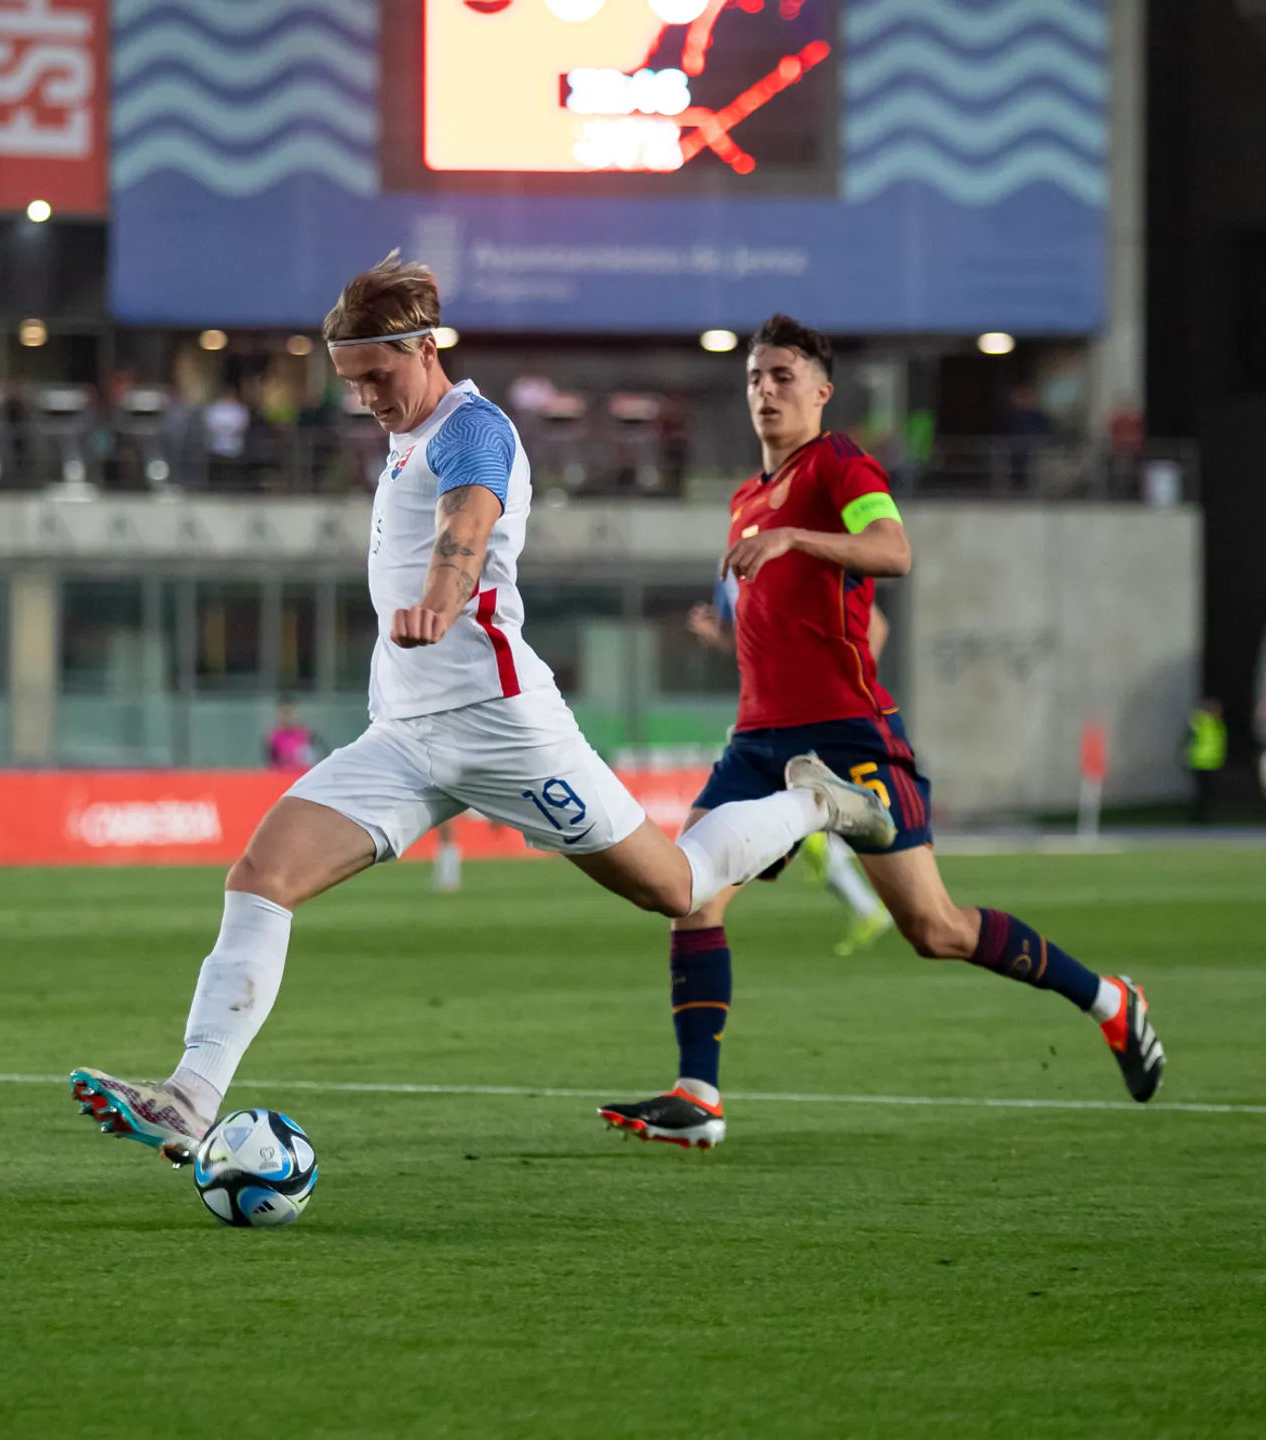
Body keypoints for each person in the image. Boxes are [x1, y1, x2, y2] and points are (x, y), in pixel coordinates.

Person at [68, 259, 895, 1165]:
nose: (366, 399)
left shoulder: (474, 429)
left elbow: (469, 522)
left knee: (680, 889)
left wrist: (440, 596)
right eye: (351, 385)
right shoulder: (405, 432)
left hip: (501, 726)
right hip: (406, 736)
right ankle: (191, 1096)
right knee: (261, 875)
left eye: (377, 378)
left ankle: (815, 801)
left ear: (426, 349)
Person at [600, 315, 1164, 1151]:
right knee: (690, 895)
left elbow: (895, 551)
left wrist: (799, 537)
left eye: (784, 376)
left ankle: (1110, 1001)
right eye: (755, 377)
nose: (765, 390)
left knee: (934, 930)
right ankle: (699, 1096)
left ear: (822, 391)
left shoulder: (840, 465)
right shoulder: (744, 499)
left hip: (848, 737)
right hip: (757, 742)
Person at [688, 575, 894, 956]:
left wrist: (855, 688)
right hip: (765, 720)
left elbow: (875, 624)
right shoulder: (731, 565)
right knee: (693, 881)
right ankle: (862, 900)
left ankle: (825, 832)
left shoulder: (795, 546)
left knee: (932, 921)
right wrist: (714, 635)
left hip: (810, 717)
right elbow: (744, 646)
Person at [1183, 697, 1226, 825]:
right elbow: (1190, 737)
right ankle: (1197, 818)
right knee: (1200, 794)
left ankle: (1204, 817)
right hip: (1199, 762)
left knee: (1208, 794)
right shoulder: (1201, 722)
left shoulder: (1217, 724)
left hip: (1212, 763)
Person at [264, 700, 322, 772]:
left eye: (288, 712)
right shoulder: (273, 736)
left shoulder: (304, 733)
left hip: (300, 774)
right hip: (281, 776)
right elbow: (270, 762)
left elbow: (312, 757)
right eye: (283, 712)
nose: (286, 716)